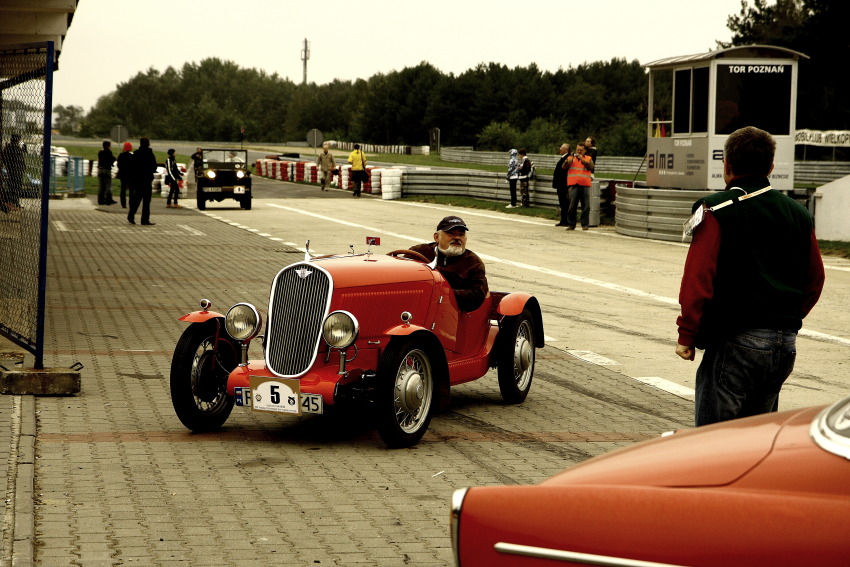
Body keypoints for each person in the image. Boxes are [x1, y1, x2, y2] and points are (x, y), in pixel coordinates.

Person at [675, 126, 825, 427]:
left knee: (713, 441)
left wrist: (687, 334)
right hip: (784, 344)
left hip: (736, 340)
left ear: (726, 165)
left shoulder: (715, 209)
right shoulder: (798, 213)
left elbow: (698, 278)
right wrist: (785, 318)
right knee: (755, 442)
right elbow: (815, 279)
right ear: (771, 167)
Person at [409, 216, 489, 312]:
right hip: (415, 305)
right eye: (450, 233)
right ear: (436, 237)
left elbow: (477, 296)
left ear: (465, 239)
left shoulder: (474, 263)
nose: (457, 238)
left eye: (461, 234)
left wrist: (444, 292)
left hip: (450, 313)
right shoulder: (419, 252)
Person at [127, 137, 158, 226]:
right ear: (148, 144)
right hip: (147, 180)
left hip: (137, 180)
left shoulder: (136, 154)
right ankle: (144, 219)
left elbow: (132, 167)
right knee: (146, 201)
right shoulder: (150, 154)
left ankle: (131, 215)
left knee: (136, 199)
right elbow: (154, 167)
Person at [564, 142, 595, 230]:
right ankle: (571, 224)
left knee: (586, 206)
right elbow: (564, 167)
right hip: (574, 184)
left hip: (585, 184)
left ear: (585, 151)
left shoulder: (588, 158)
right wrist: (567, 161)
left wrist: (583, 160)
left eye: (581, 150)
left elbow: (591, 167)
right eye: (578, 149)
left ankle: (585, 224)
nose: (579, 151)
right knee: (572, 206)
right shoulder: (571, 157)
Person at [1, 133, 25, 212]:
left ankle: (15, 202)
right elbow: (4, 158)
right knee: (14, 187)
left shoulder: (14, 147)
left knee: (16, 187)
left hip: (17, 170)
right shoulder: (10, 147)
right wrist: (9, 166)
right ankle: (12, 202)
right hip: (14, 170)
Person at [552, 143, 571, 226]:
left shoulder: (568, 158)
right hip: (560, 184)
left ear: (566, 150)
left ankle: (566, 220)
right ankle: (563, 220)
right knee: (562, 203)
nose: (560, 149)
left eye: (562, 148)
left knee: (564, 203)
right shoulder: (563, 158)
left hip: (563, 184)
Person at [97, 140, 117, 205]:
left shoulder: (100, 152)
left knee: (101, 186)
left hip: (100, 170)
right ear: (108, 146)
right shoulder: (109, 152)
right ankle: (108, 200)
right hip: (107, 170)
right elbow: (112, 159)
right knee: (108, 185)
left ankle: (101, 200)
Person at [116, 142, 133, 208]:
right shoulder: (132, 156)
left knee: (123, 189)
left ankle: (123, 203)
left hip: (122, 174)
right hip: (130, 175)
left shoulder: (121, 155)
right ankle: (131, 203)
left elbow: (118, 164)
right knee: (131, 190)